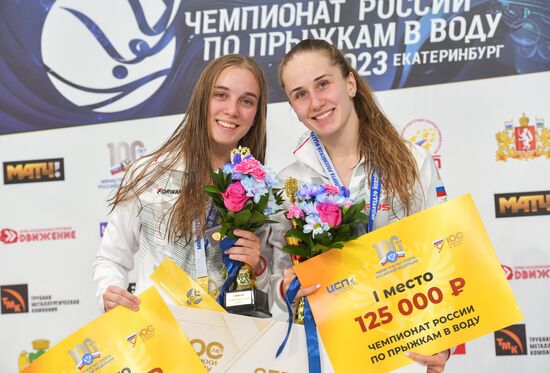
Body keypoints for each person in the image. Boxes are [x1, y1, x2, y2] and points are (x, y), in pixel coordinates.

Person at [268, 39, 451, 372]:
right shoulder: (289, 182)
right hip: (324, 352)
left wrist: (444, 343)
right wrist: (286, 287)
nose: (316, 102)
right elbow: (276, 273)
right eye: (300, 94)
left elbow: (443, 253)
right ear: (293, 107)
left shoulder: (412, 161)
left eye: (323, 84)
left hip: (403, 348)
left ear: (349, 83)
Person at [93, 54, 271, 313]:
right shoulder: (149, 173)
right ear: (201, 100)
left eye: (246, 101)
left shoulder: (261, 188)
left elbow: (271, 286)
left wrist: (258, 267)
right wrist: (108, 294)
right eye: (220, 95)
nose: (232, 110)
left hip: (231, 340)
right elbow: (110, 258)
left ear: (256, 114)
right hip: (159, 337)